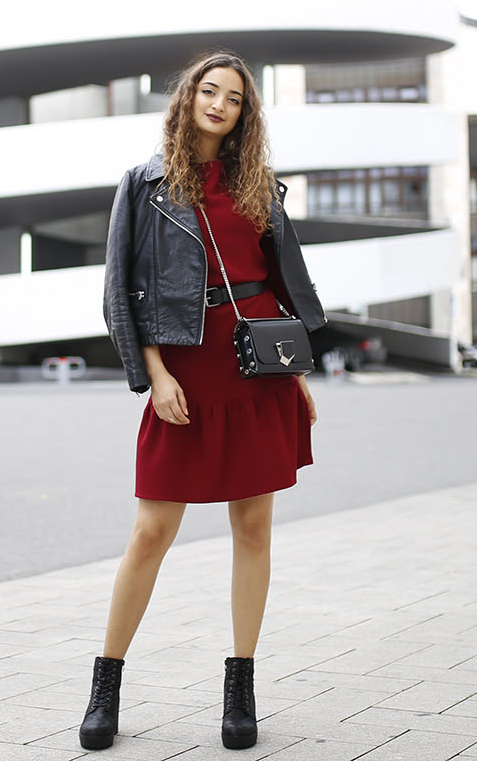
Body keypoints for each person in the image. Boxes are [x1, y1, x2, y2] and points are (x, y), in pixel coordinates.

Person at [85, 51, 325, 752]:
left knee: (253, 531)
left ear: (246, 114)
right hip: (185, 374)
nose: (220, 104)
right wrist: (154, 375)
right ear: (188, 97)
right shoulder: (145, 183)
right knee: (150, 533)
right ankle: (106, 684)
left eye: (236, 98)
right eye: (209, 91)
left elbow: (280, 287)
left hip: (256, 374)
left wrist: (298, 376)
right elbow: (120, 291)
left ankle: (241, 687)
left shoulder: (260, 186)